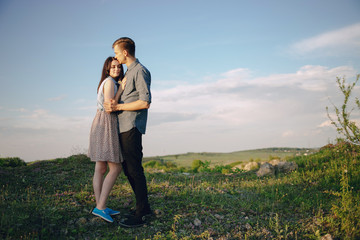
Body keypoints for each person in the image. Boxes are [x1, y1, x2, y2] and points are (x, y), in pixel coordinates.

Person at [104, 37, 152, 228]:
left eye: (116, 52)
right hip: (123, 127)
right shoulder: (129, 73)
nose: (115, 56)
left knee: (134, 169)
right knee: (128, 169)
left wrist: (117, 108)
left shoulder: (139, 71)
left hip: (132, 126)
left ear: (125, 52)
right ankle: (143, 206)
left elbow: (144, 102)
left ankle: (142, 213)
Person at [88, 57, 126, 223]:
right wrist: (121, 89)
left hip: (99, 121)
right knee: (115, 168)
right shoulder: (110, 83)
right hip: (106, 123)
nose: (117, 69)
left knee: (100, 167)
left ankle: (100, 205)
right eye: (113, 67)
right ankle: (100, 207)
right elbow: (110, 107)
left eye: (118, 66)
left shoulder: (105, 82)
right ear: (107, 69)